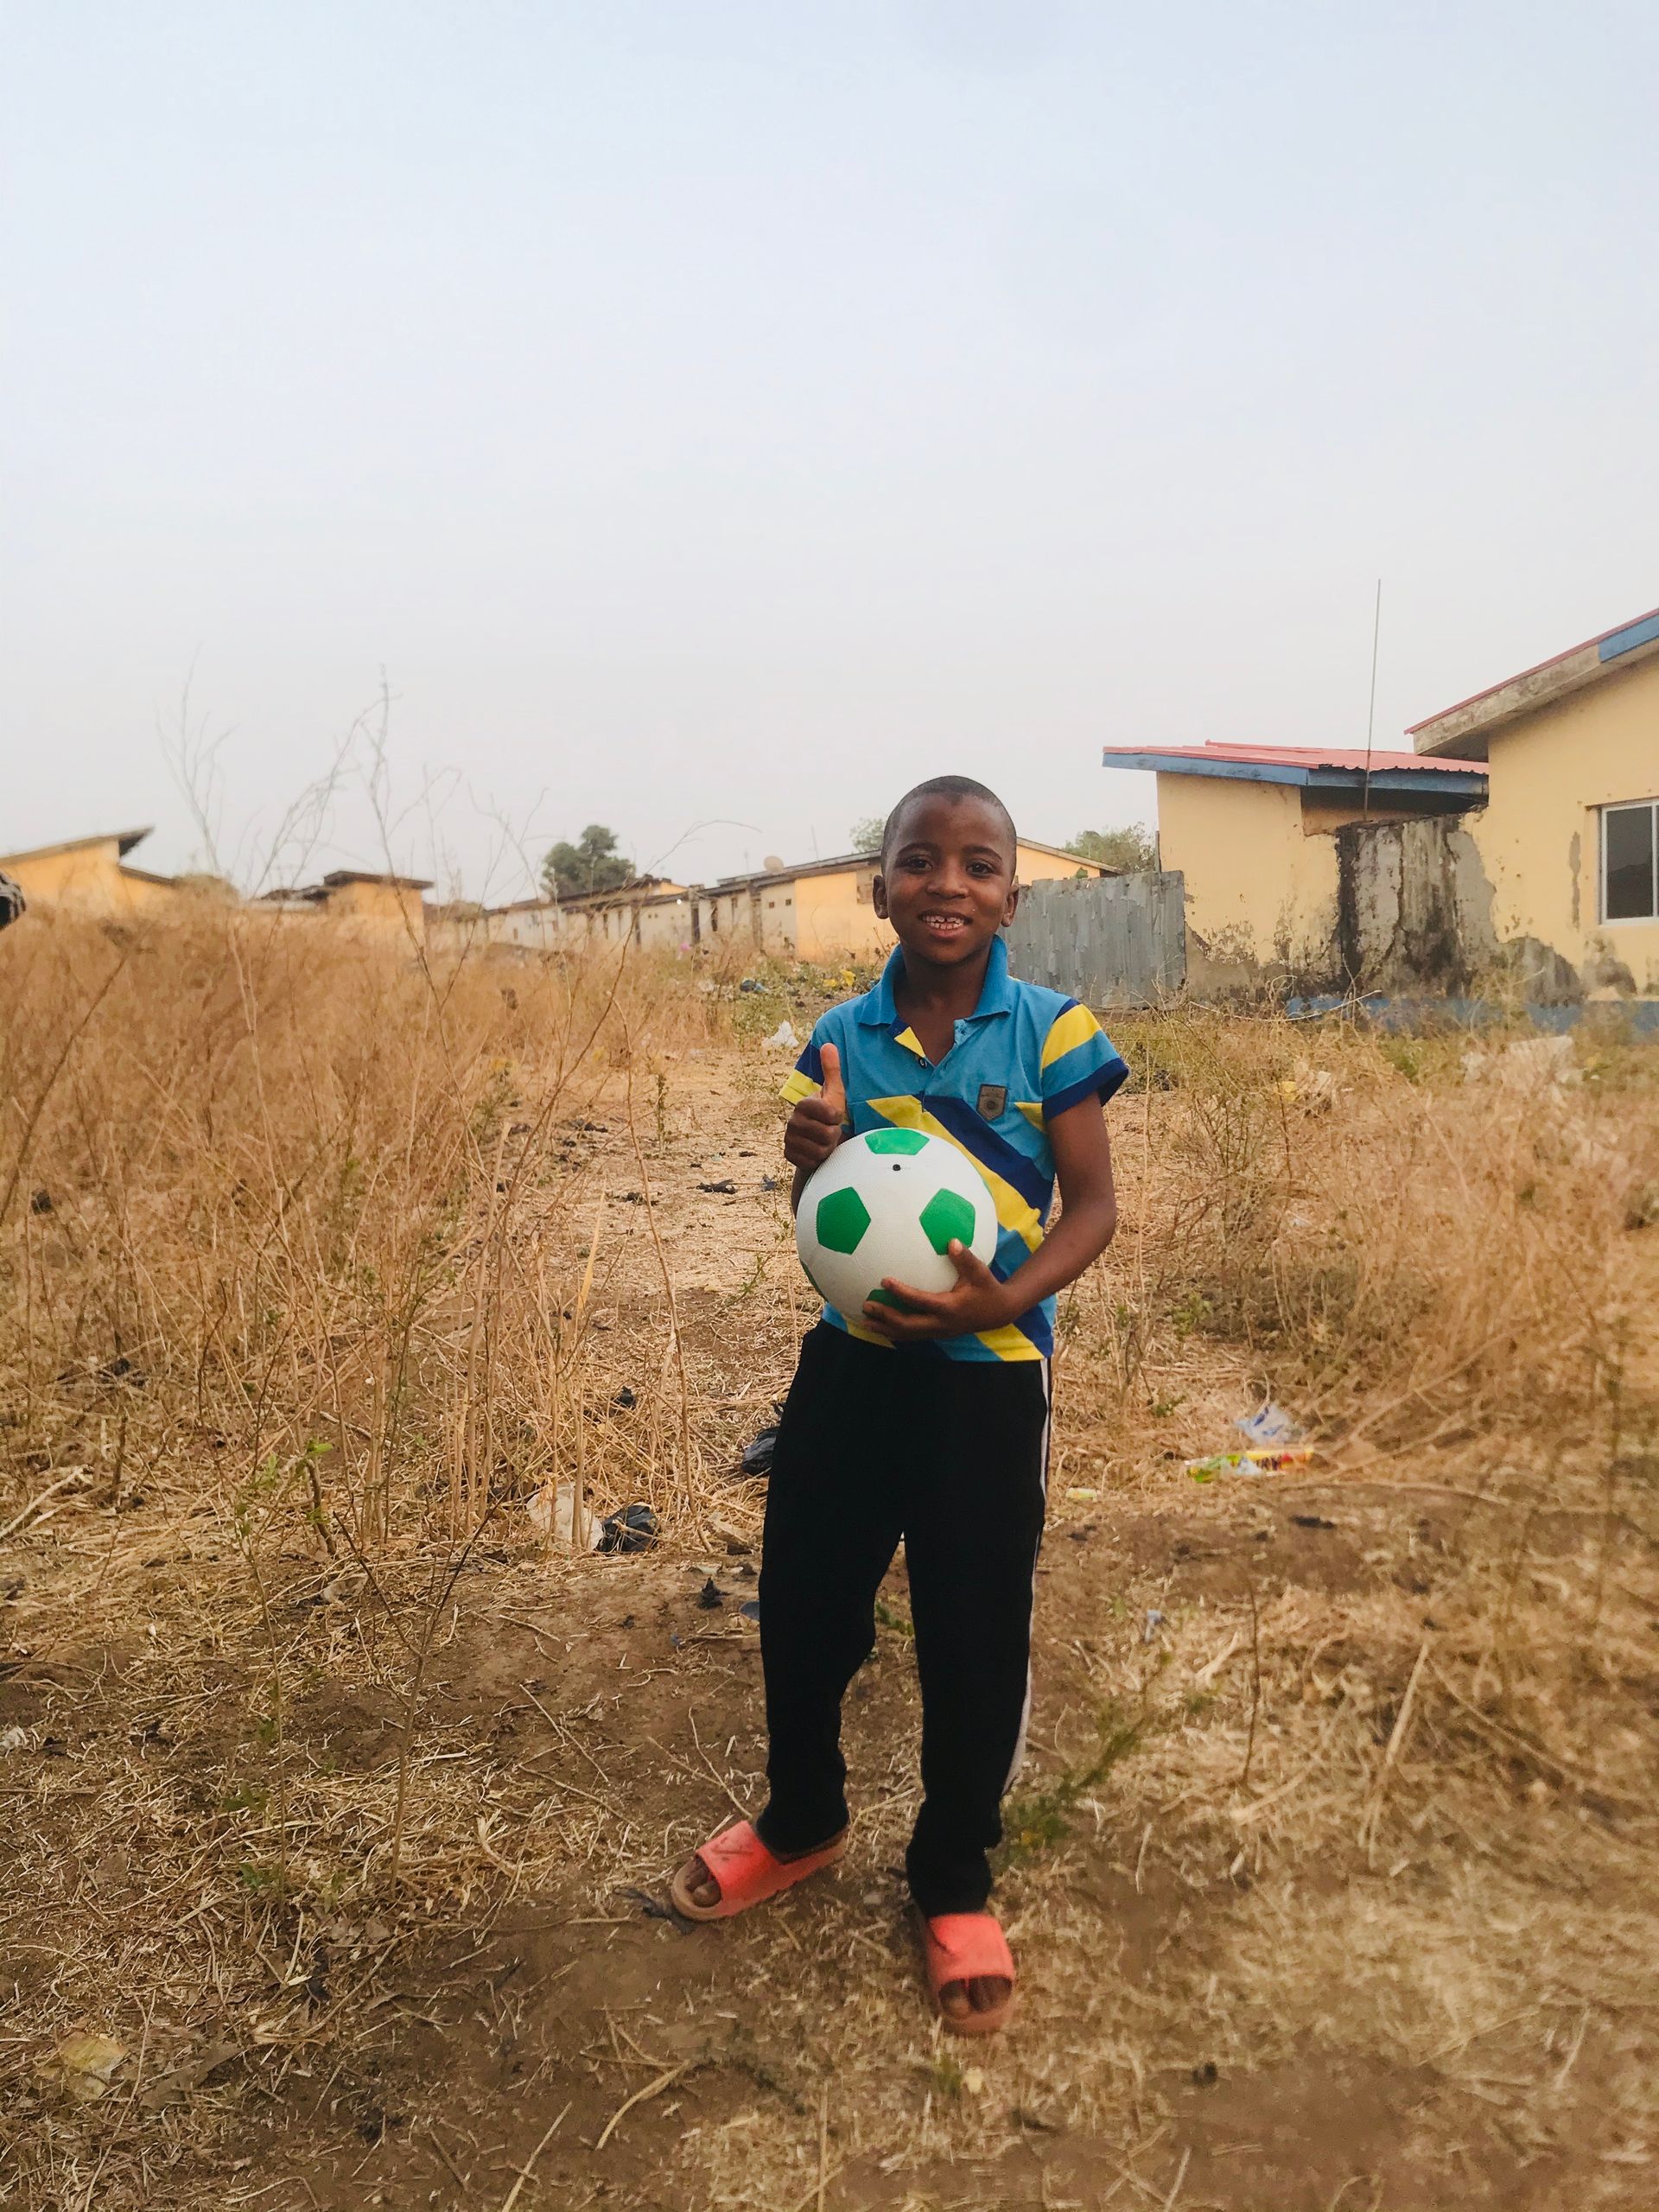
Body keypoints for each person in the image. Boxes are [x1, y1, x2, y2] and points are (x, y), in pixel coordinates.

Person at [670, 776, 1128, 2033]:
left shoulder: (1053, 1032)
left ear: (1012, 898)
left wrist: (1002, 1299)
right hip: (854, 1366)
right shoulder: (842, 1034)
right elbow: (833, 1214)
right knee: (805, 1604)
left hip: (991, 1378)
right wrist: (806, 1160)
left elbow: (1093, 1207)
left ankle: (954, 1875)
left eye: (979, 864)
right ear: (880, 890)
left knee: (974, 1629)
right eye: (920, 861)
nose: (948, 885)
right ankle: (803, 1818)